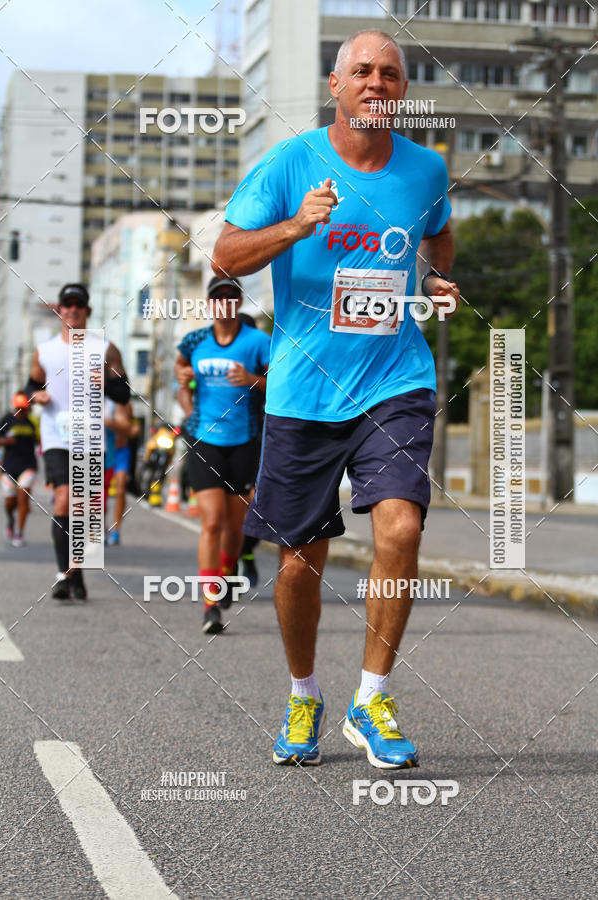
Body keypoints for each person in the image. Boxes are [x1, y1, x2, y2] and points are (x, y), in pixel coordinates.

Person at [212, 30, 460, 768]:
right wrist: (296, 226)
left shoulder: (426, 169)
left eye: (389, 74)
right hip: (304, 389)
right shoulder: (292, 163)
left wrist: (434, 279)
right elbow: (225, 254)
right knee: (298, 564)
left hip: (396, 378)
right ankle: (303, 694)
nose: (376, 84)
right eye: (362, 72)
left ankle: (372, 696)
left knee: (402, 530)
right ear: (336, 85)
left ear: (402, 91)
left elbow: (439, 236)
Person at [174, 276, 269, 635]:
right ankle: (211, 603)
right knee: (211, 521)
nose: (225, 302)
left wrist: (251, 379)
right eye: (218, 297)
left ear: (240, 301)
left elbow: (281, 382)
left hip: (245, 440)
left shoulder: (258, 341)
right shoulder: (195, 340)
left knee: (235, 525)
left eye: (231, 296)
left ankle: (228, 571)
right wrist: (185, 397)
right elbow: (180, 370)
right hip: (203, 438)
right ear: (210, 303)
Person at [25, 283, 130, 601]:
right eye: (67, 304)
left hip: (91, 436)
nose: (72, 309)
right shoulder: (44, 350)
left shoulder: (106, 349)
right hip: (56, 434)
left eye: (78, 305)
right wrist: (36, 396)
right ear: (60, 310)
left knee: (81, 511)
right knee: (63, 499)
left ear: (87, 311)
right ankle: (62, 576)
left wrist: (107, 383)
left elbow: (124, 393)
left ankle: (76, 573)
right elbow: (30, 387)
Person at [0, 392, 39, 546]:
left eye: (24, 409)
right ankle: (10, 519)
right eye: (19, 408)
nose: (22, 411)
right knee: (10, 502)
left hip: (28, 465)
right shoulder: (6, 420)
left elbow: (40, 441)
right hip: (9, 466)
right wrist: (5, 441)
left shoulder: (32, 422)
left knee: (23, 498)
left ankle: (19, 533)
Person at [104, 401, 137, 545]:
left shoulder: (126, 404)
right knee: (100, 493)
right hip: (105, 452)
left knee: (121, 489)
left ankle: (116, 530)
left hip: (121, 452)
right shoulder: (98, 400)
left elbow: (132, 427)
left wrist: (112, 424)